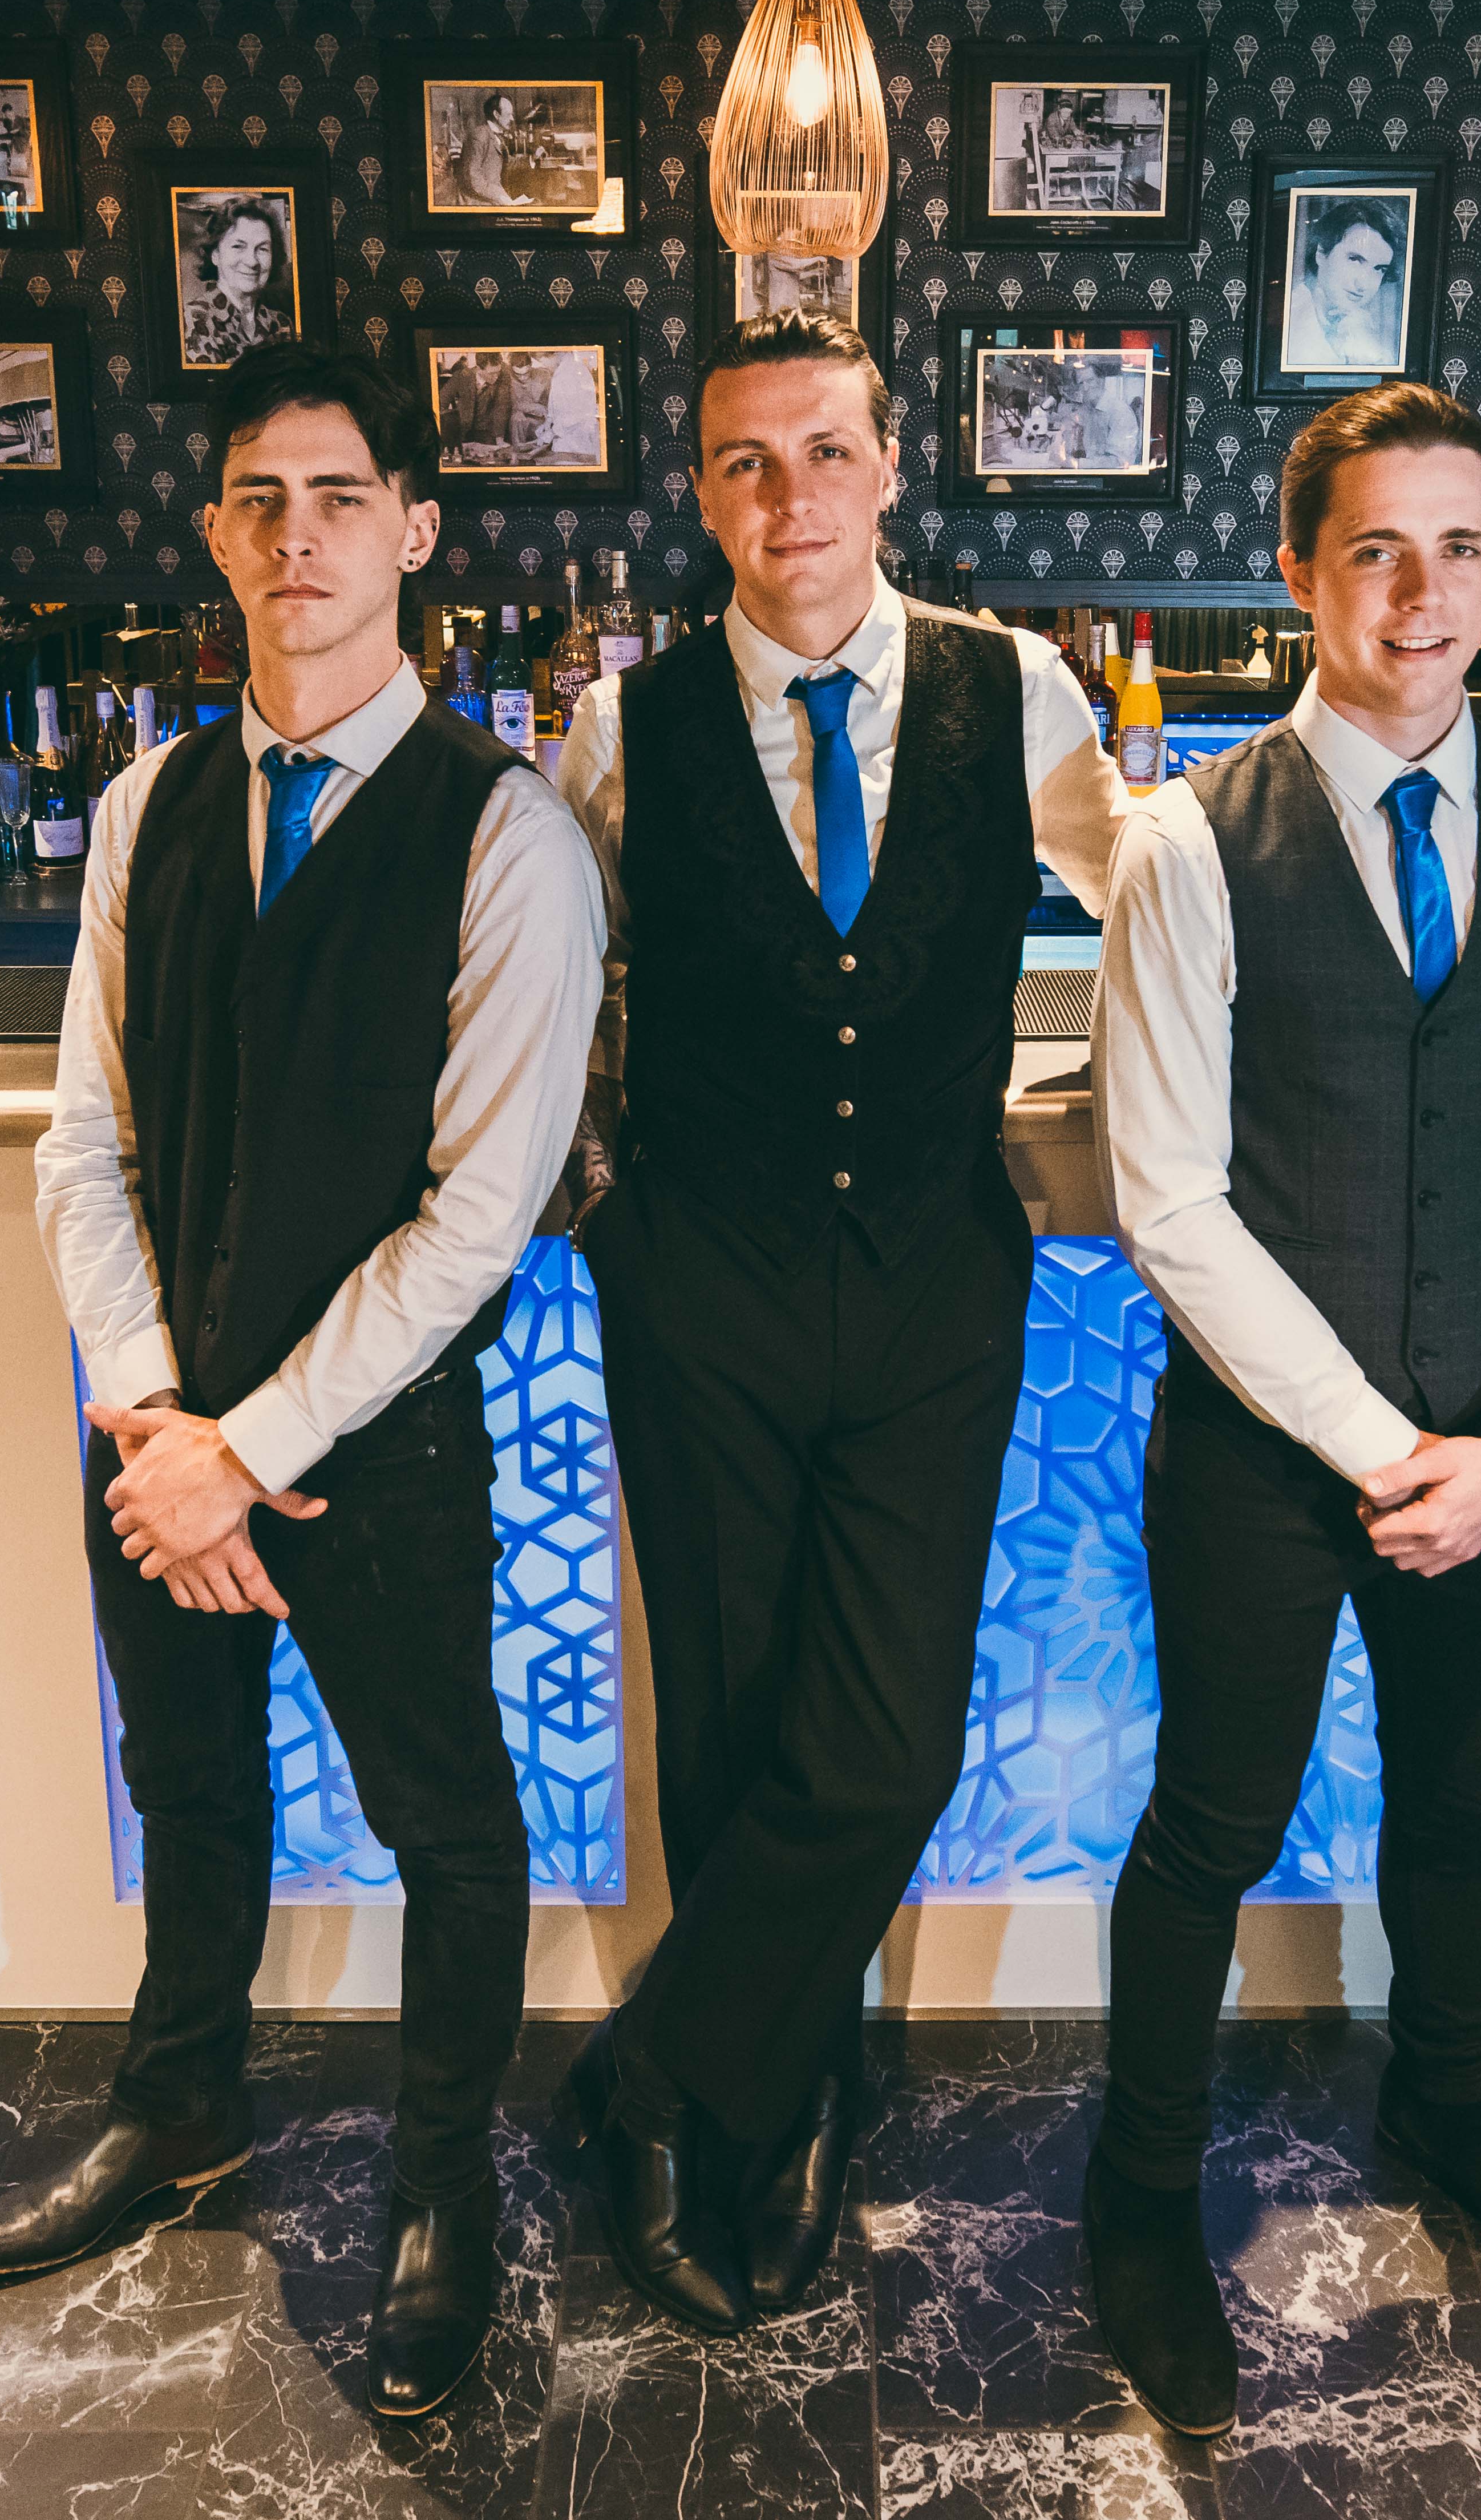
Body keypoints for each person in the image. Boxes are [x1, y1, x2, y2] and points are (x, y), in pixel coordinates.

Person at [0, 337, 607, 2425]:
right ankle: (180, 2108)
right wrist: (150, 1416)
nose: (298, 537)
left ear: (415, 528)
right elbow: (87, 1144)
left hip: (368, 1448)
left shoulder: (508, 837)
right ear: (218, 535)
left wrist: (250, 1444)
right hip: (156, 1447)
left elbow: (473, 1218)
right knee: (191, 1788)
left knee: (450, 1824)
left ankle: (441, 2193)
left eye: (339, 497)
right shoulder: (144, 803)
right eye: (260, 500)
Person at [1080, 378, 1481, 2437]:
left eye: (1463, 548)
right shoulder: (1186, 844)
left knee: (1456, 1797)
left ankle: (1451, 2103)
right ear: (1301, 572)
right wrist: (1368, 1444)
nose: (1424, 597)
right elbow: (1164, 1193)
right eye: (1378, 550)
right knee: (1217, 1818)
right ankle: (1139, 2187)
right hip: (1260, 1448)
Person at [555, 306, 1135, 2334]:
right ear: (698, 489)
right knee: (723, 1718)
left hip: (929, 1282)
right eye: (739, 461)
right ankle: (770, 2115)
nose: (783, 495)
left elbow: (1152, 919)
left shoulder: (1020, 691)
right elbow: (564, 980)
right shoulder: (624, 728)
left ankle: (647, 2075)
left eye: (820, 450)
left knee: (880, 1740)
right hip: (697, 1278)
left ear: (891, 467)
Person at [1282, 201, 1403, 373]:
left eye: (1379, 269)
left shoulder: (1364, 333)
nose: (1363, 284)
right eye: (1354, 259)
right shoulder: (1288, 324)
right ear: (1321, 253)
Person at [183, 200, 295, 369]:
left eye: (262, 249)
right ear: (215, 255)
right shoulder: (194, 319)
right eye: (238, 247)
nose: (252, 261)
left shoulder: (281, 323)